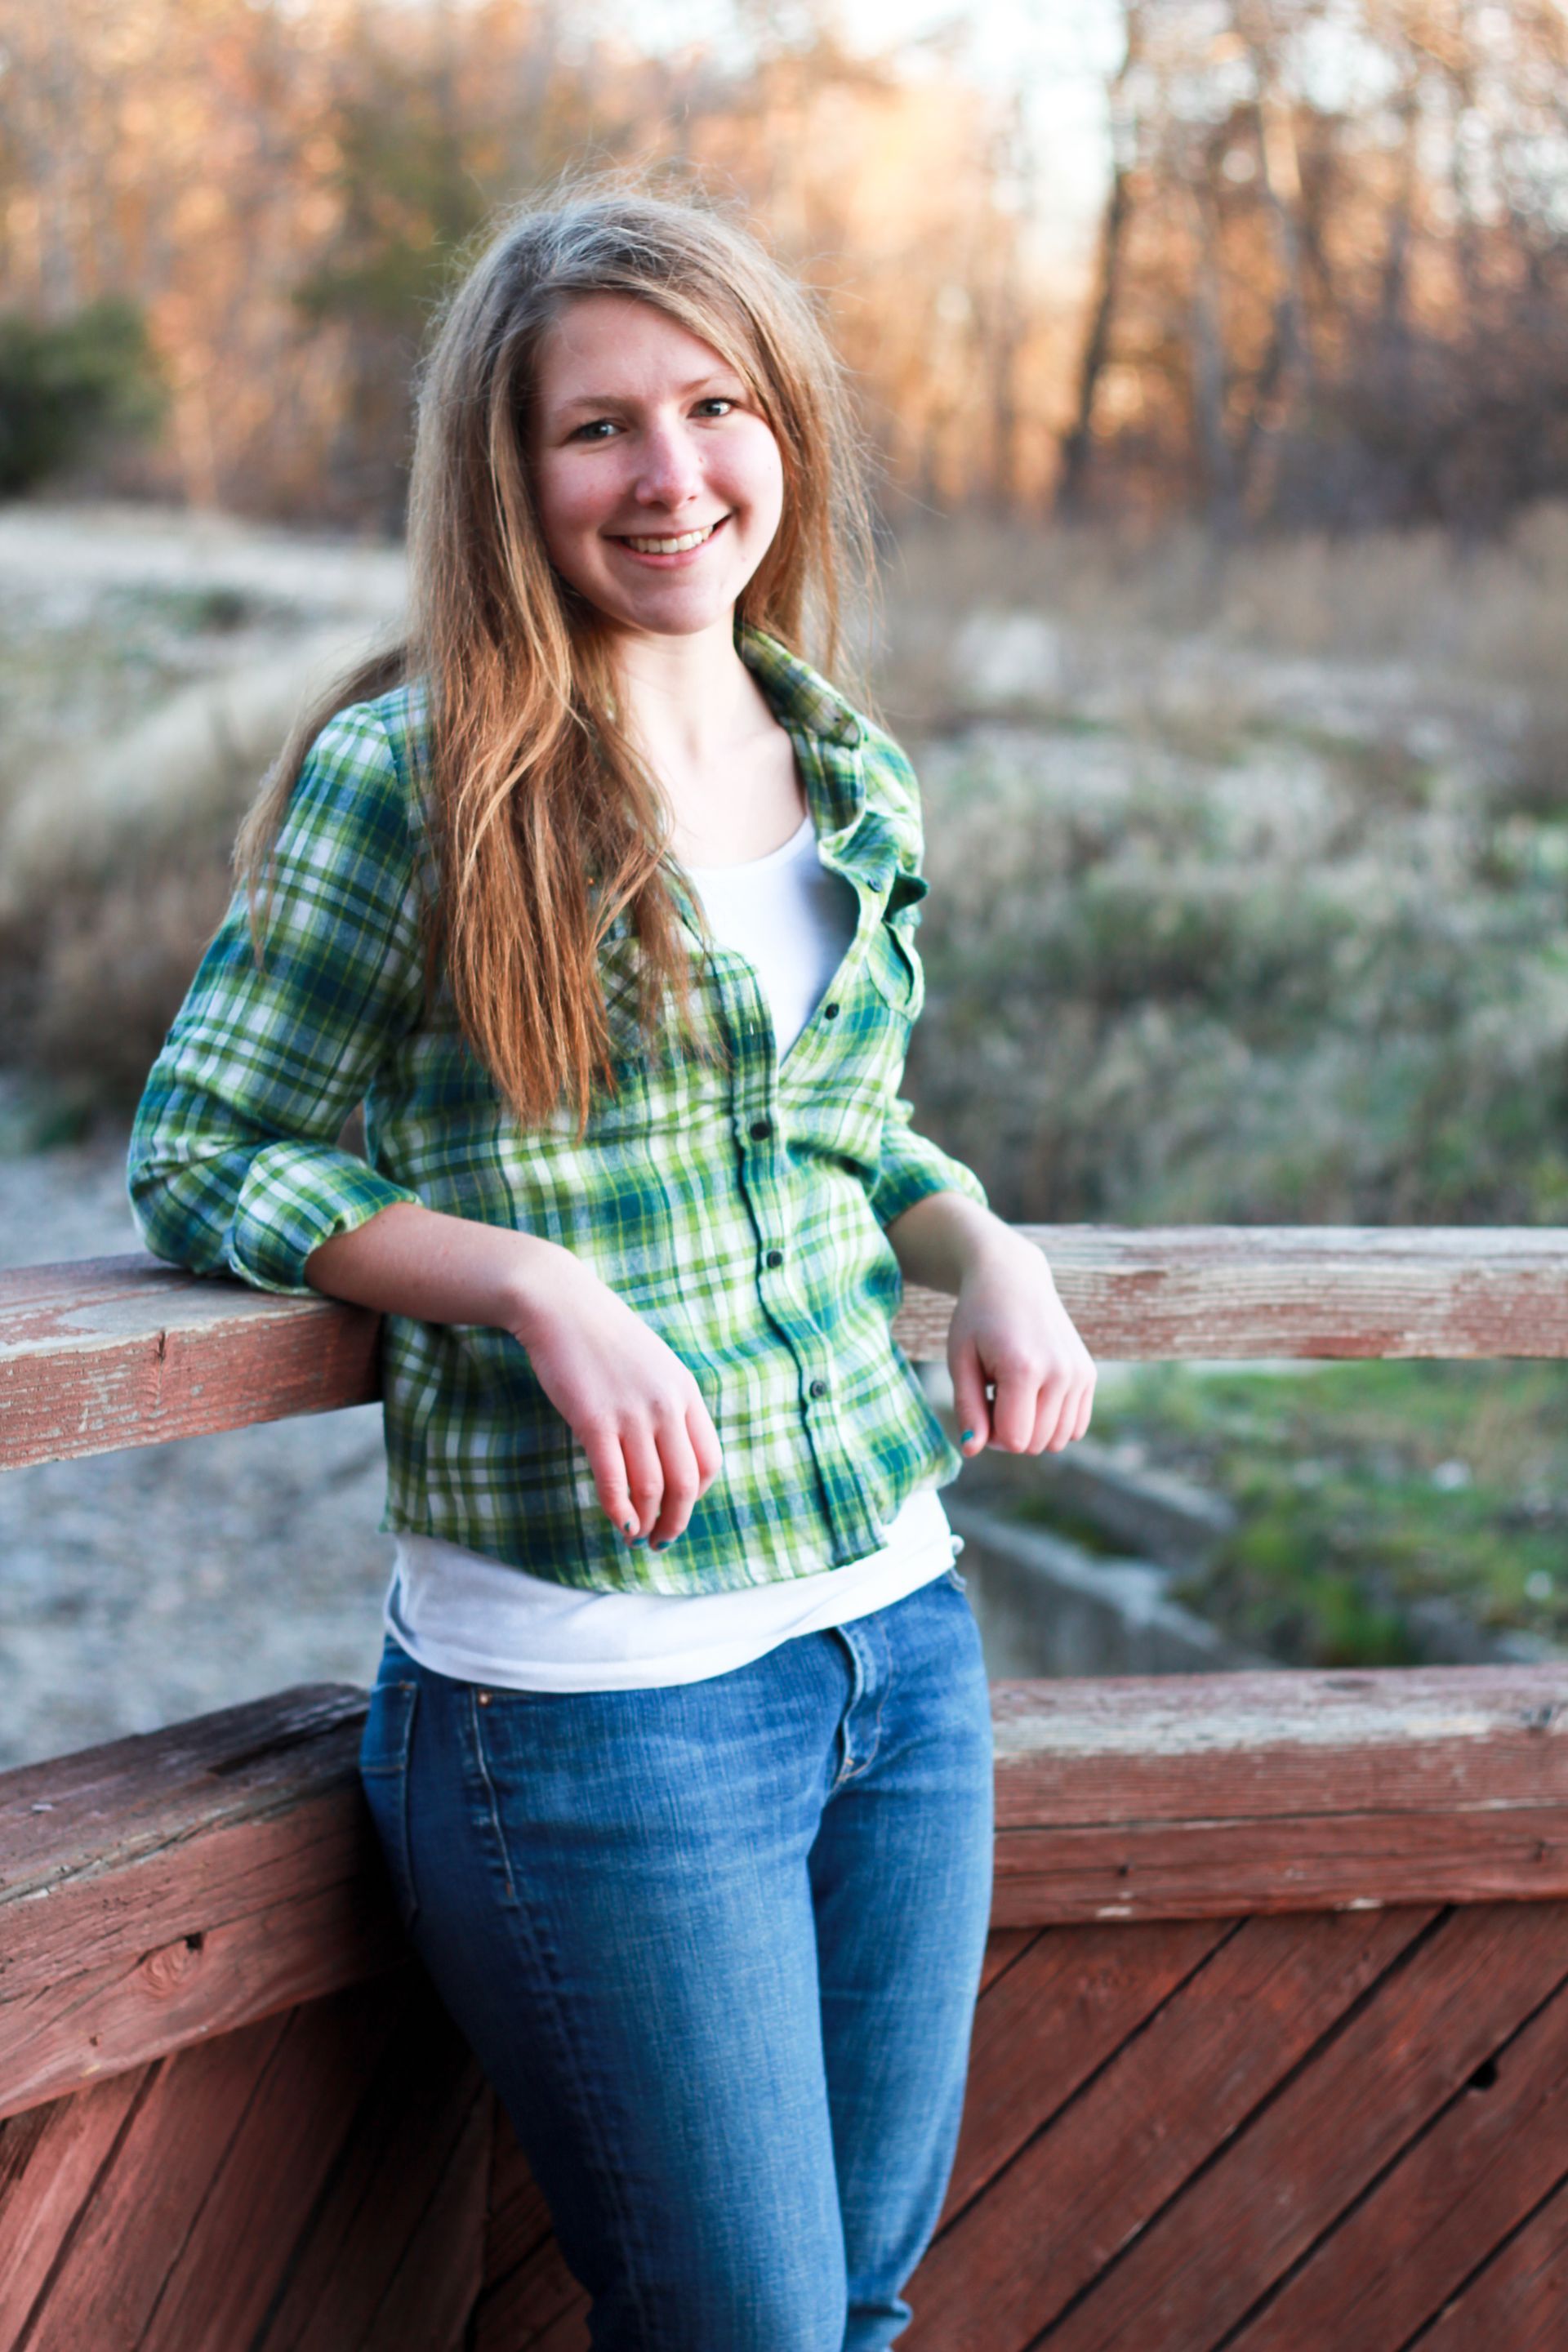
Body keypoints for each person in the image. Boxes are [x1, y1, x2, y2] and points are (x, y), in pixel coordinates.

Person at [128, 185, 1095, 2352]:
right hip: (597, 1706)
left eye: (715, 405)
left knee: (857, 2312)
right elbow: (202, 1152)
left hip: (898, 1644)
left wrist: (989, 1244)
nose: (671, 476)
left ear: (784, 432)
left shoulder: (846, 768)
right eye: (597, 430)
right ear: (505, 471)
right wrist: (525, 1284)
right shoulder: (419, 782)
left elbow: (838, 1139)